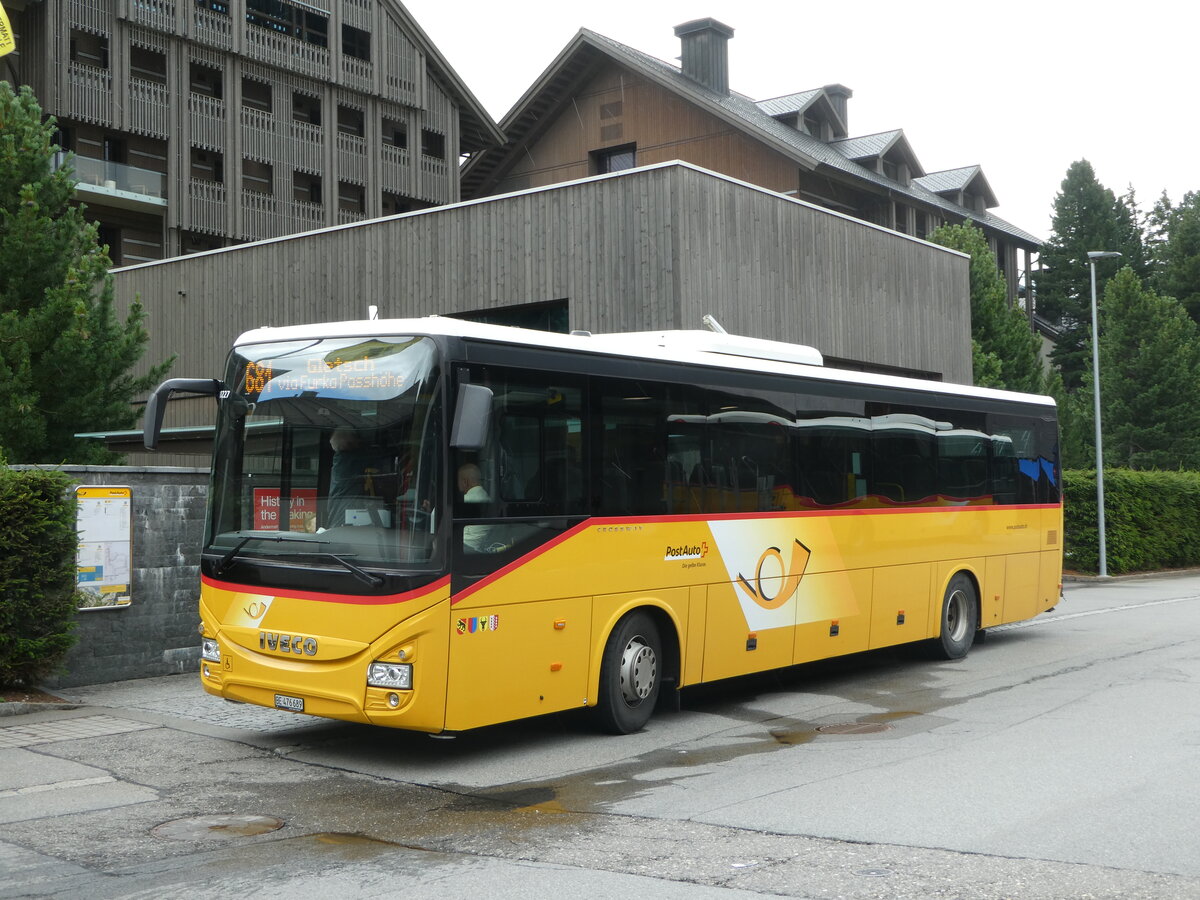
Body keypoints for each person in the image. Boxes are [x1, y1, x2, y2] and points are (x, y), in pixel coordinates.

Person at [327, 428, 387, 527]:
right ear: (349, 443)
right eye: (356, 439)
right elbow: (378, 455)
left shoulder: (340, 461)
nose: (359, 442)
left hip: (340, 516)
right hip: (344, 517)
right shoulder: (348, 460)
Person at [458, 462, 503, 552]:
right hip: (475, 548)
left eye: (457, 481)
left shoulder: (466, 499)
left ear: (465, 482)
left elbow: (437, 517)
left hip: (465, 547)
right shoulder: (487, 498)